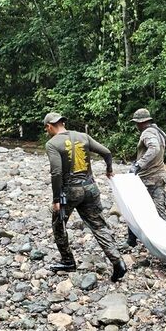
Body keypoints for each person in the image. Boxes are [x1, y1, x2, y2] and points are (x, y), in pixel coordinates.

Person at [43, 112, 127, 282]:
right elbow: (107, 152)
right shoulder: (83, 136)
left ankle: (68, 261)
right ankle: (118, 262)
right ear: (63, 123)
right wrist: (109, 170)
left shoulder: (52, 144)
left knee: (58, 225)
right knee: (99, 226)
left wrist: (57, 199)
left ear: (50, 126)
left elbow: (57, 172)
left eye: (46, 128)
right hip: (90, 188)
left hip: (70, 192)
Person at [124, 108, 166, 249]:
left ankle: (131, 241)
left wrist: (138, 164)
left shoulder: (147, 133)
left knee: (133, 209)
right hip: (159, 176)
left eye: (136, 123)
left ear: (141, 122)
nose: (136, 126)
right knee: (159, 211)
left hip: (147, 180)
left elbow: (155, 148)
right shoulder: (157, 131)